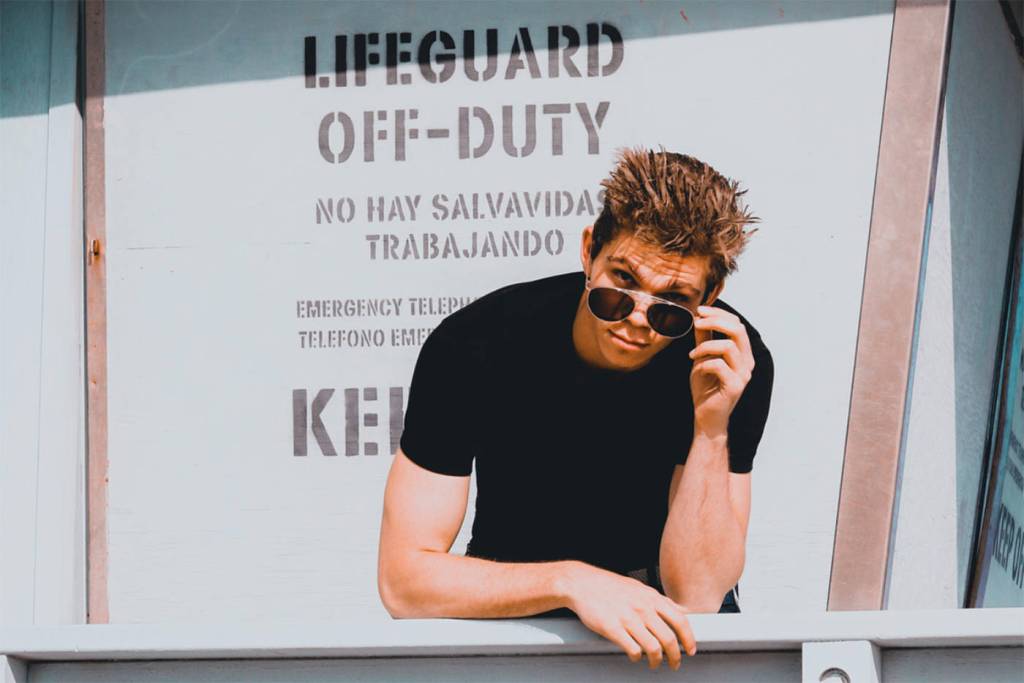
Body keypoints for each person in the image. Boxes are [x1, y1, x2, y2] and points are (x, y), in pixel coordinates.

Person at [377, 147, 774, 671]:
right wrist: (572, 581)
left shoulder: (727, 362)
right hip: (517, 617)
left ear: (711, 295)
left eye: (670, 306)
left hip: (665, 628)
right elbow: (404, 583)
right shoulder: (479, 343)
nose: (636, 321)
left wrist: (711, 426)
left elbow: (699, 595)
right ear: (589, 252)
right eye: (621, 287)